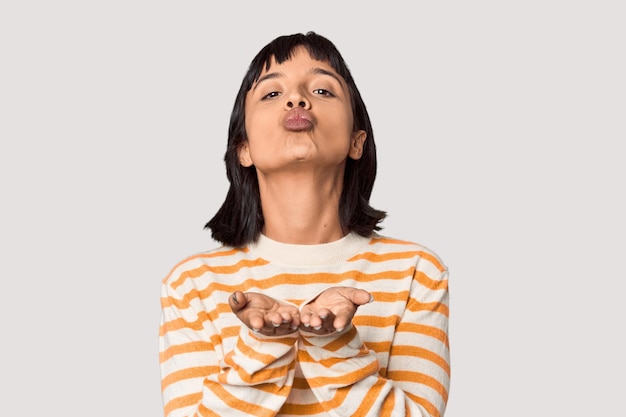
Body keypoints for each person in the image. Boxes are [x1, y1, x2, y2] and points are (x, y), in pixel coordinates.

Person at [159, 31, 450, 417]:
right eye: (272, 93)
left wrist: (334, 343)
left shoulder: (415, 272)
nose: (297, 99)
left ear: (356, 141)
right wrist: (263, 344)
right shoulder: (191, 284)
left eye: (323, 90)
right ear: (243, 148)